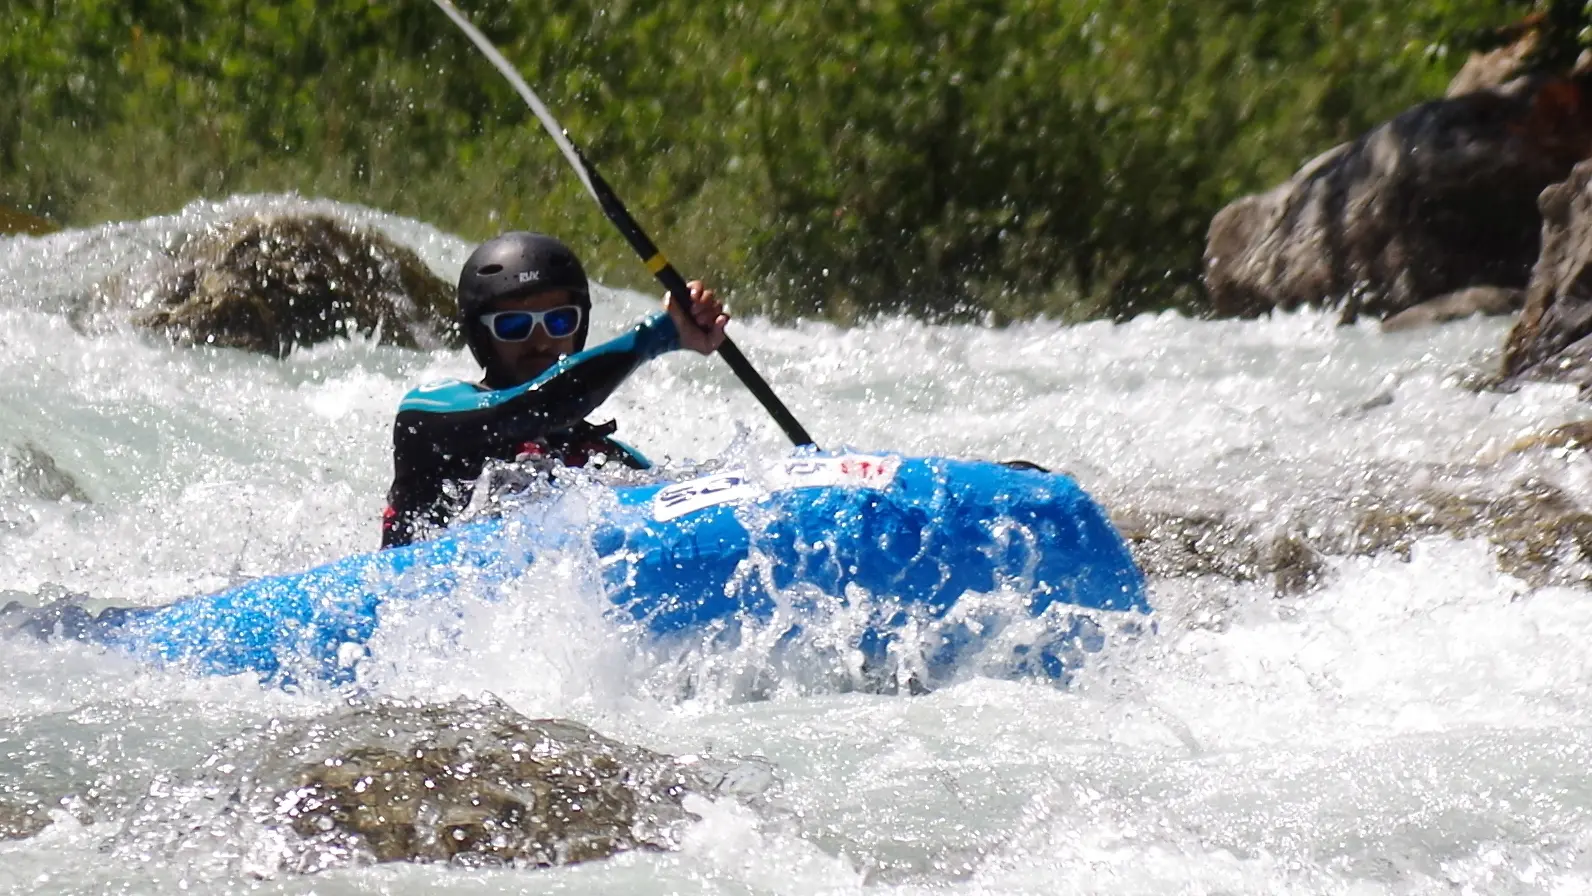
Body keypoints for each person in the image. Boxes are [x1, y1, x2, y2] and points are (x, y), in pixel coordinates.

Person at [380, 231, 728, 549]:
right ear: (480, 335)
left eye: (560, 321)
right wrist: (663, 334)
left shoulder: (604, 457)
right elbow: (537, 406)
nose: (541, 340)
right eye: (514, 325)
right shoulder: (429, 414)